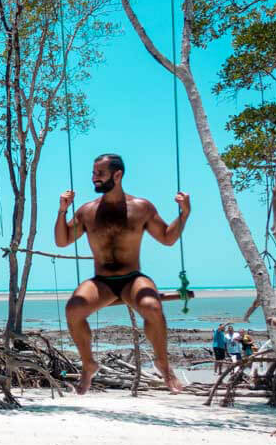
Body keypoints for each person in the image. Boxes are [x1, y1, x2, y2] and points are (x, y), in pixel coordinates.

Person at [55, 153, 189, 394]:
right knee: (73, 309)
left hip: (132, 279)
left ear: (117, 175)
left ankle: (163, 364)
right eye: (94, 173)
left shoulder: (141, 207)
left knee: (152, 306)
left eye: (100, 174)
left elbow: (168, 238)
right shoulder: (87, 211)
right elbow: (62, 241)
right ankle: (89, 364)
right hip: (102, 282)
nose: (94, 178)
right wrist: (62, 211)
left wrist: (184, 214)